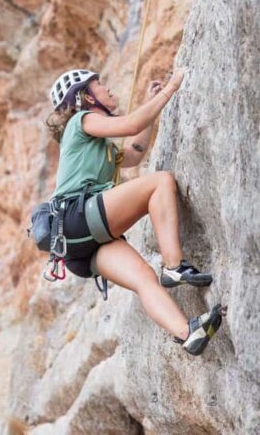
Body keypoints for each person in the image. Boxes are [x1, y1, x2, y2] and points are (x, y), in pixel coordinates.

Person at [44, 68, 224, 355]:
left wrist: (150, 99)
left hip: (77, 246)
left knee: (143, 277)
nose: (108, 89)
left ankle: (187, 333)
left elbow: (135, 150)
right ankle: (175, 266)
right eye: (99, 85)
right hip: (78, 217)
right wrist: (171, 88)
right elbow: (129, 126)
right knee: (160, 182)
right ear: (86, 97)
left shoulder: (98, 146)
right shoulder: (82, 120)